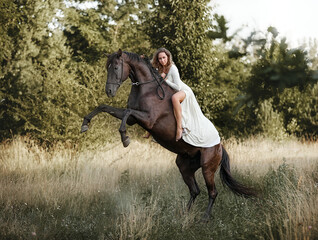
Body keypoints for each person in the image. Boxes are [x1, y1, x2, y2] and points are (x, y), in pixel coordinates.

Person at [152, 48, 220, 147]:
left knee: (175, 98)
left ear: (168, 57)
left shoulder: (173, 68)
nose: (162, 60)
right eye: (160, 59)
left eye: (164, 57)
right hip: (174, 92)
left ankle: (180, 128)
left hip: (184, 91)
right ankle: (152, 131)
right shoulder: (160, 69)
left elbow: (178, 87)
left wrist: (165, 80)